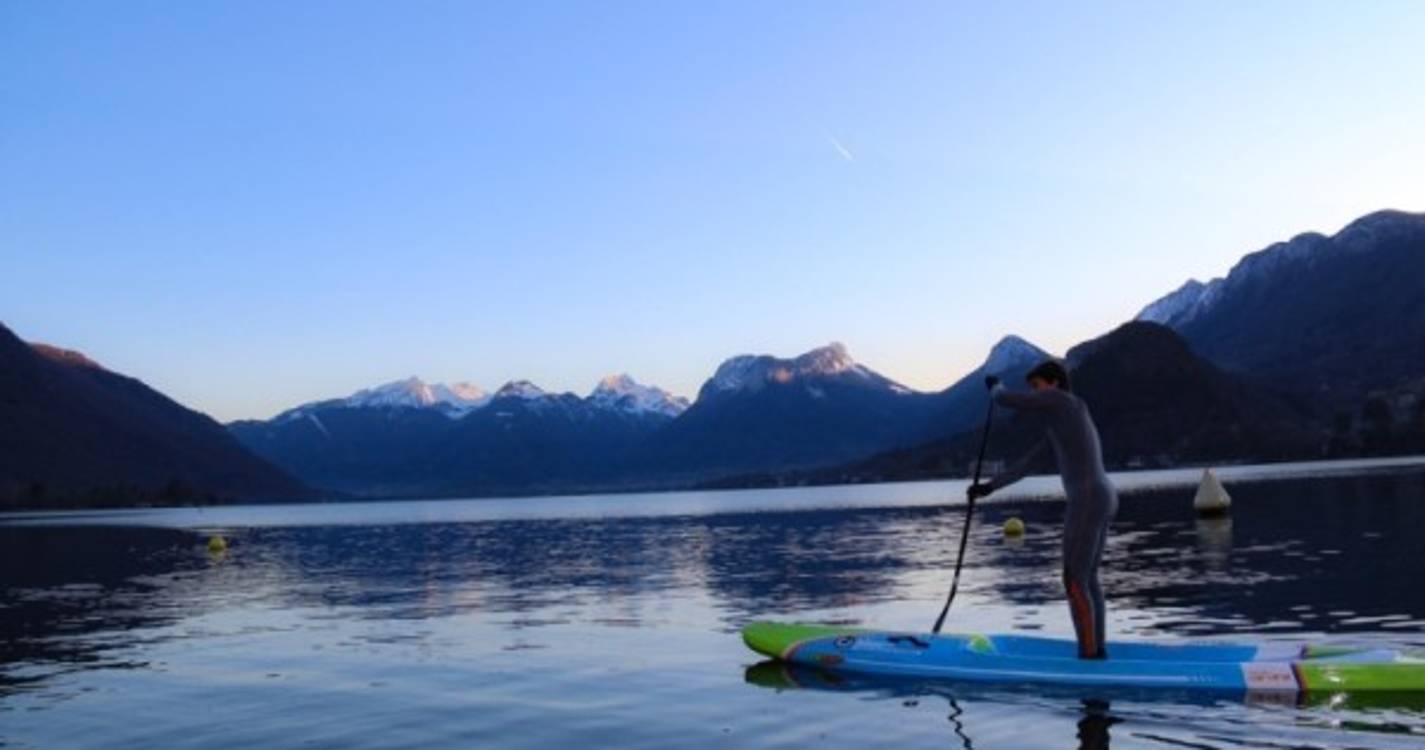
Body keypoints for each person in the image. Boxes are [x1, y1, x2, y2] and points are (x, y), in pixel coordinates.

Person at [968, 360, 1117, 659]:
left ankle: (1089, 656)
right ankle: (1097, 649)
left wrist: (995, 387)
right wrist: (989, 487)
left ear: (1055, 383)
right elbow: (1026, 466)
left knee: (1073, 579)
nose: (1034, 394)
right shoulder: (1066, 421)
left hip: (1088, 498)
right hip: (1104, 496)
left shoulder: (1061, 399)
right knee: (1087, 579)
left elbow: (1005, 399)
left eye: (1036, 386)